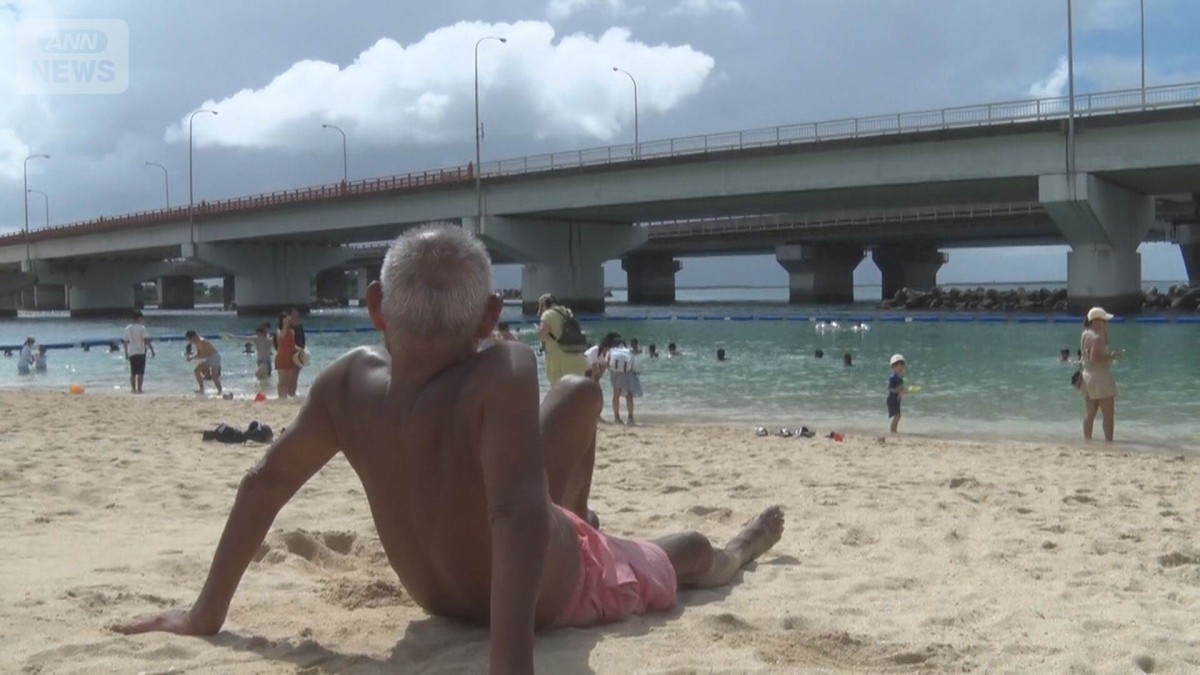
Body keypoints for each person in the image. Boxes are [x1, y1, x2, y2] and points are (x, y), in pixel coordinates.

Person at [114, 225, 785, 672]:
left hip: (446, 584)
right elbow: (514, 518)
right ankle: (737, 553)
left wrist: (207, 612)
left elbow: (263, 482)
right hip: (555, 583)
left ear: (376, 304)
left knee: (580, 396)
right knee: (691, 547)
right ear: (492, 315)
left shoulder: (345, 381)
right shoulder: (506, 367)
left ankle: (581, 514)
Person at [1080, 307, 1123, 442]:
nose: (1106, 323)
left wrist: (1105, 332)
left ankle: (1087, 440)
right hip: (1100, 377)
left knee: (1090, 413)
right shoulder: (1097, 338)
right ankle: (1109, 441)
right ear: (1097, 321)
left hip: (1087, 376)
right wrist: (1112, 356)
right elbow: (1095, 359)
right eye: (1104, 321)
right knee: (1108, 414)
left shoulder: (1086, 334)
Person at [536, 294, 588, 385]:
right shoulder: (567, 311)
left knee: (558, 391)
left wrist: (538, 330)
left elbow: (543, 336)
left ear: (544, 304)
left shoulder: (547, 314)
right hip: (576, 356)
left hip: (558, 361)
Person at [607, 339, 643, 425]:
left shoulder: (611, 351)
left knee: (616, 395)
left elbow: (607, 363)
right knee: (629, 396)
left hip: (615, 374)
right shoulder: (628, 351)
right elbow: (634, 365)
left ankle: (616, 418)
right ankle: (630, 418)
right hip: (627, 373)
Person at [123, 310, 156, 394]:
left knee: (133, 372)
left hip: (131, 352)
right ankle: (139, 389)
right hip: (141, 352)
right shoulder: (142, 328)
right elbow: (146, 340)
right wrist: (152, 350)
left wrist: (126, 353)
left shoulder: (127, 328)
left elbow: (126, 342)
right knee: (140, 372)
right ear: (139, 318)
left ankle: (133, 389)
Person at [185, 331, 222, 395]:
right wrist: (192, 357)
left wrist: (192, 357)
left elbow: (204, 354)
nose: (189, 341)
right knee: (196, 371)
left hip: (215, 357)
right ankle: (201, 389)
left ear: (193, 337)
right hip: (209, 357)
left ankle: (220, 391)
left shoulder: (202, 341)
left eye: (188, 339)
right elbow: (199, 353)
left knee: (214, 376)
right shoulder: (196, 343)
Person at [274, 312, 299, 399]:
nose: (288, 321)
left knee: (289, 380)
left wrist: (301, 350)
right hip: (281, 357)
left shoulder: (292, 331)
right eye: (285, 319)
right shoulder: (278, 331)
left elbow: (293, 345)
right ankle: (281, 396)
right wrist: (284, 325)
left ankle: (285, 396)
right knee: (282, 380)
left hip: (290, 358)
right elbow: (281, 337)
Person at [288, 307, 308, 397]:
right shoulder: (287, 327)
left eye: (297, 315)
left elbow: (302, 341)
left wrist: (303, 351)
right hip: (290, 353)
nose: (295, 317)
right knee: (289, 376)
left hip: (299, 353)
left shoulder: (300, 326)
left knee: (295, 376)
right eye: (293, 315)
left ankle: (292, 393)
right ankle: (289, 393)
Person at [887, 354, 906, 433]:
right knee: (897, 416)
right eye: (897, 366)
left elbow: (900, 388)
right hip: (892, 399)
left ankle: (894, 430)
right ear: (893, 367)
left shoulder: (900, 377)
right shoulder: (893, 377)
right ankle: (893, 430)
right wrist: (899, 391)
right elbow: (890, 389)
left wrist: (903, 391)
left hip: (896, 399)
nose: (900, 367)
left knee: (898, 416)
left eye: (901, 365)